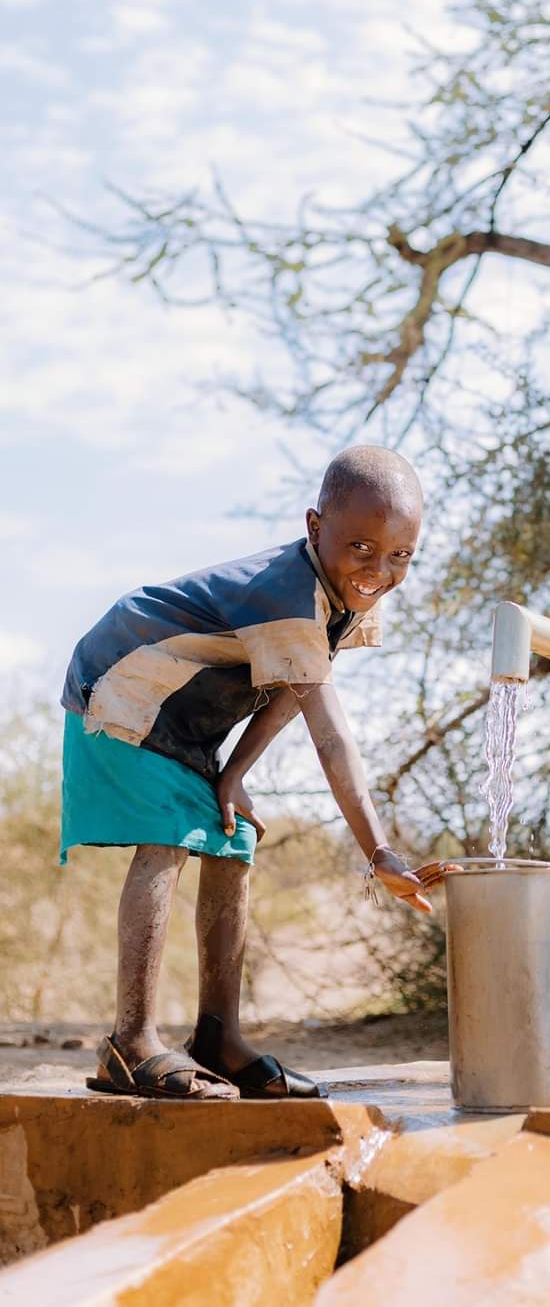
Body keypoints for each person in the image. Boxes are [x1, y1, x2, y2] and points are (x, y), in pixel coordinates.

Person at [60, 445, 448, 1100]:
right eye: (362, 548)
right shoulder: (288, 595)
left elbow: (296, 687)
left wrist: (236, 771)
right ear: (314, 527)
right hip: (124, 684)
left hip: (188, 715)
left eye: (400, 556)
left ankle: (218, 1037)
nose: (379, 571)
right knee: (171, 834)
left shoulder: (345, 594)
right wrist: (378, 848)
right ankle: (130, 1044)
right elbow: (333, 738)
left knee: (232, 836)